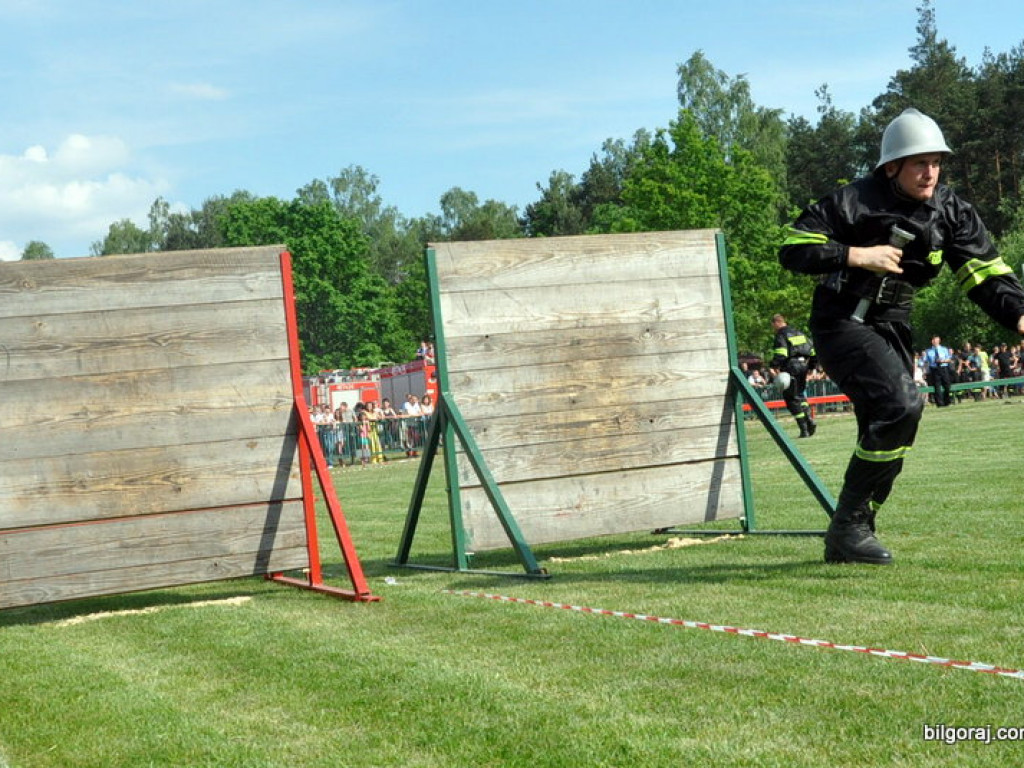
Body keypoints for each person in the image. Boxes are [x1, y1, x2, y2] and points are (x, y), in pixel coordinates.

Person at [779, 107, 1024, 565]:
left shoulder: (952, 212)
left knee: (895, 423)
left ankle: (854, 529)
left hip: (893, 327)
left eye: (936, 162)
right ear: (891, 166)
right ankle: (848, 527)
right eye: (919, 163)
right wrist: (855, 254)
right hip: (841, 323)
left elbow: (985, 274)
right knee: (902, 403)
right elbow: (792, 249)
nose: (930, 172)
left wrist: (1019, 316)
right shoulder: (852, 200)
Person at [768, 313, 818, 438]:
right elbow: (813, 351)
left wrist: (773, 366)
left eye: (773, 326)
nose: (773, 329)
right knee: (800, 395)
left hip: (790, 367)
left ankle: (804, 429)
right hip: (803, 366)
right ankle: (809, 419)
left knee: (791, 399)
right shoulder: (799, 332)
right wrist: (812, 367)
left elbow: (781, 353)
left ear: (776, 323)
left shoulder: (781, 334)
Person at [924, 335, 954, 406]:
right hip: (934, 369)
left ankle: (947, 401)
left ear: (939, 341)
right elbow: (925, 361)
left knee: (947, 385)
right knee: (937, 387)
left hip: (943, 368)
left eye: (936, 340)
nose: (934, 341)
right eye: (933, 340)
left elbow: (949, 359)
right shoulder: (928, 351)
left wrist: (943, 361)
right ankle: (940, 403)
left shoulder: (944, 349)